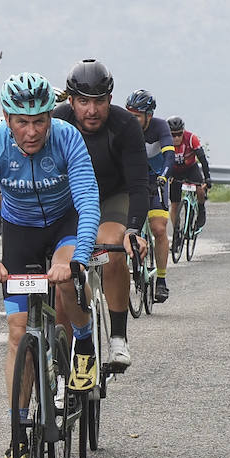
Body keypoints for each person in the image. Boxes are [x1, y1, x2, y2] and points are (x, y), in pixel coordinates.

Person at [0, 73, 100, 458]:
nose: (33, 131)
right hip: (19, 232)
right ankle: (19, 437)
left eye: (40, 120)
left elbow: (88, 199)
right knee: (18, 334)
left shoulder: (68, 137)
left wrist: (78, 257)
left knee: (66, 284)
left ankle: (84, 342)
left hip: (63, 224)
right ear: (7, 117)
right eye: (23, 121)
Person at [52, 59, 149, 369]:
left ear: (110, 100)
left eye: (98, 102)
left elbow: (138, 185)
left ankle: (118, 337)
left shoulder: (125, 125)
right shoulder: (57, 122)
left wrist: (133, 230)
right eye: (83, 102)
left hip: (112, 196)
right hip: (72, 200)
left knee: (112, 247)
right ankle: (61, 362)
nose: (91, 110)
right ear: (70, 101)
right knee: (62, 275)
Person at [125, 89, 175, 302]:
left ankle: (161, 280)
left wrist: (163, 177)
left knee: (158, 228)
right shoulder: (125, 126)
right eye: (130, 114)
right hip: (133, 179)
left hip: (155, 178)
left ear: (149, 116)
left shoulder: (160, 126)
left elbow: (169, 156)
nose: (132, 119)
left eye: (137, 116)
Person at [167, 116, 210, 231]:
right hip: (175, 171)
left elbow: (202, 159)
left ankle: (201, 209)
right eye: (173, 135)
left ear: (183, 132)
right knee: (174, 204)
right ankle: (176, 231)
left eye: (179, 134)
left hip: (191, 168)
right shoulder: (165, 141)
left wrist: (208, 178)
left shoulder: (191, 138)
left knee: (199, 189)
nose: (176, 138)